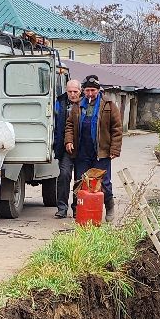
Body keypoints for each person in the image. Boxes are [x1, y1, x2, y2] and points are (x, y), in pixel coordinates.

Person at [64, 73, 123, 217]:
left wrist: (114, 149)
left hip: (101, 152)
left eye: (93, 90)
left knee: (104, 183)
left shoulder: (108, 105)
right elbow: (70, 125)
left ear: (98, 90)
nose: (90, 93)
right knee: (80, 182)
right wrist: (69, 140)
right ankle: (78, 209)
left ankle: (109, 207)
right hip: (82, 152)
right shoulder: (77, 106)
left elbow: (117, 128)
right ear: (83, 91)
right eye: (87, 90)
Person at [53, 77, 83, 218]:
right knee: (64, 175)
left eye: (75, 91)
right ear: (66, 91)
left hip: (83, 148)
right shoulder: (60, 102)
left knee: (80, 178)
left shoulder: (86, 103)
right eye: (70, 91)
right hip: (65, 148)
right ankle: (62, 208)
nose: (72, 94)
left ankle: (77, 207)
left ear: (80, 91)